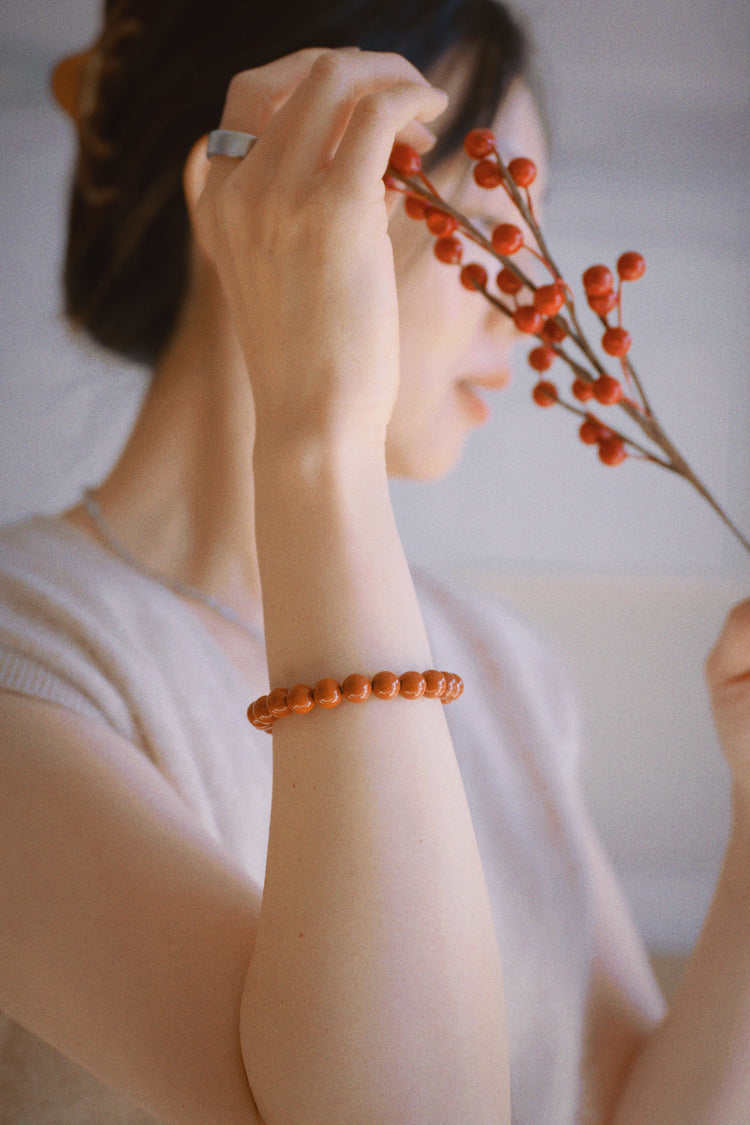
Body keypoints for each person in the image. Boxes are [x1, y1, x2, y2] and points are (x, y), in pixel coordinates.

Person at [0, 0, 748, 1122]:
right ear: (244, 198)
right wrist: (315, 435)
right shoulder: (35, 663)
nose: (532, 314)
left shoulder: (502, 670)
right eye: (484, 231)